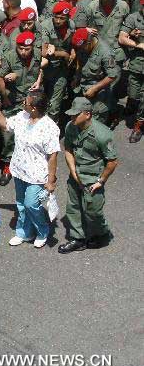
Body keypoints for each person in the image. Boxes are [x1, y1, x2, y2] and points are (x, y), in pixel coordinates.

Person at [0, 90, 60, 248]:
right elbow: (5, 125)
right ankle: (24, 232)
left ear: (33, 108)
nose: (23, 104)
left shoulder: (49, 127)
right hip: (19, 170)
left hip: (37, 175)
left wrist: (51, 180)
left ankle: (42, 230)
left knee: (31, 204)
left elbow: (53, 155)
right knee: (20, 204)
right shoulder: (22, 117)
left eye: (25, 102)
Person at [58, 97, 119, 253]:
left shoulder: (102, 134)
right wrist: (73, 171)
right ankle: (78, 238)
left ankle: (102, 234)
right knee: (73, 207)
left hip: (93, 179)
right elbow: (68, 150)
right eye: (71, 114)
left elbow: (112, 161)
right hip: (76, 175)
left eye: (75, 115)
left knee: (93, 212)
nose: (72, 118)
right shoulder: (70, 127)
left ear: (87, 114)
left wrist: (101, 180)